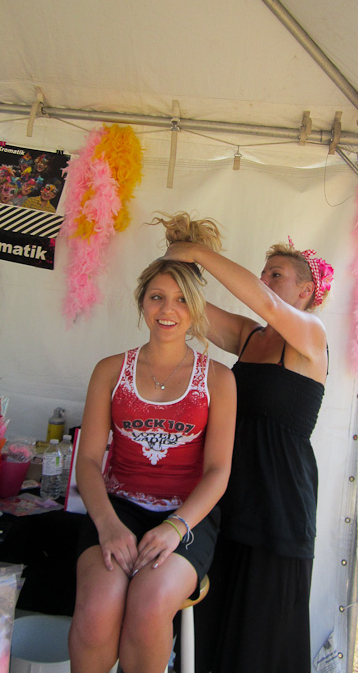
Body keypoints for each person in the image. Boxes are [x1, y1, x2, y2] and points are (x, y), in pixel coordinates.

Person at [163, 213, 333, 673]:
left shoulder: (312, 336)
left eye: (276, 274)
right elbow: (189, 308)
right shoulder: (251, 336)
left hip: (280, 505)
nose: (263, 281)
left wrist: (200, 252)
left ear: (306, 291)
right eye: (263, 273)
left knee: (262, 636)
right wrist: (179, 259)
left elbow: (267, 305)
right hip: (230, 497)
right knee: (213, 621)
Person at [68, 218, 237, 673]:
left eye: (182, 299)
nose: (168, 309)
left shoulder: (219, 379)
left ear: (196, 308)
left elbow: (218, 471)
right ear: (142, 301)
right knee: (98, 609)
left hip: (186, 517)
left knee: (147, 607)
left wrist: (175, 527)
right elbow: (88, 460)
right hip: (117, 508)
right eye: (157, 296)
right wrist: (107, 525)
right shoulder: (110, 370)